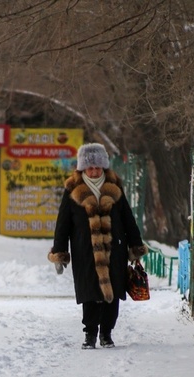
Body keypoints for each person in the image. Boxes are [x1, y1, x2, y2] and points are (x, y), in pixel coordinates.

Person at [48, 142, 148, 349]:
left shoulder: (114, 187)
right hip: (85, 250)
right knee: (89, 292)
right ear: (82, 168)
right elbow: (63, 223)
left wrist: (135, 246)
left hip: (115, 249)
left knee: (113, 291)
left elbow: (128, 219)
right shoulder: (72, 190)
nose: (94, 171)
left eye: (97, 167)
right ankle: (90, 333)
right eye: (89, 167)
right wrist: (60, 251)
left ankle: (107, 333)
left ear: (104, 167)